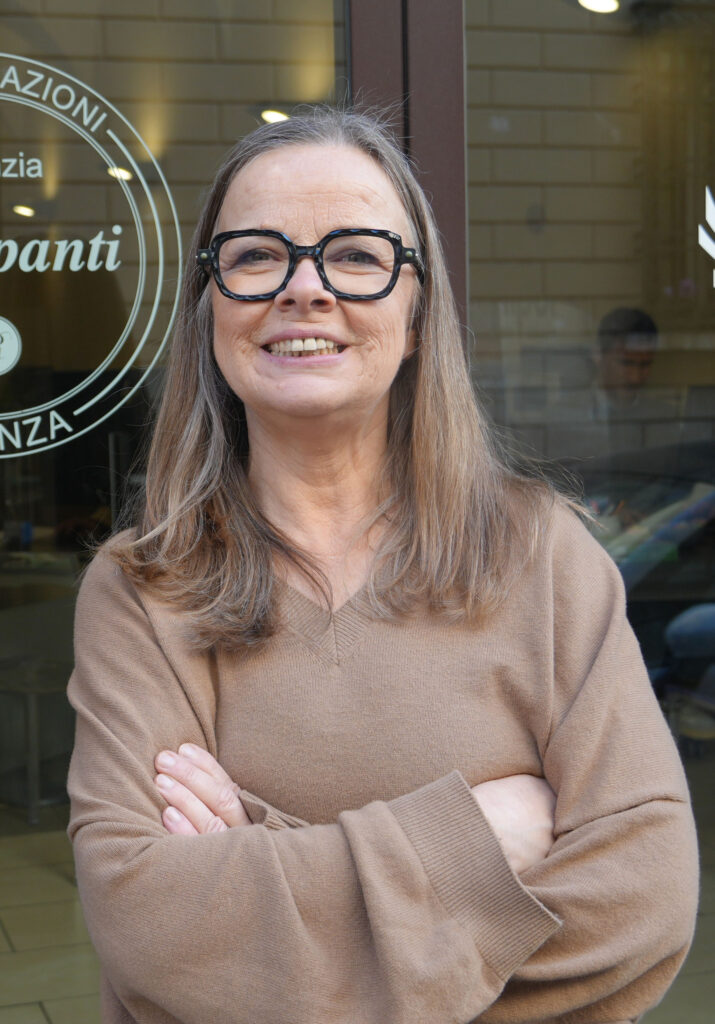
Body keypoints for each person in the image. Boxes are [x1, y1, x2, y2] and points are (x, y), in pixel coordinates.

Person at [66, 108, 698, 1024]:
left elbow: (642, 900)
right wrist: (470, 841)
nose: (303, 289)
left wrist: (260, 851)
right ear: (209, 309)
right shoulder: (141, 590)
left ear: (415, 314)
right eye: (255, 255)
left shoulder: (543, 556)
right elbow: (150, 928)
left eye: (356, 255)